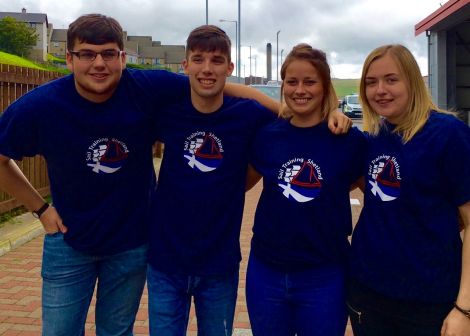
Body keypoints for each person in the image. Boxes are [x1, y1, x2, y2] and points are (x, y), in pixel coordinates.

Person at [0, 14, 282, 335]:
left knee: (117, 332)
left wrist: (291, 110)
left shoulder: (146, 87)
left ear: (122, 57)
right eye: (86, 54)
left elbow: (218, 85)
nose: (98, 64)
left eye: (108, 53)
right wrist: (40, 209)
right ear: (69, 59)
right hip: (69, 243)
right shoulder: (41, 106)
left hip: (131, 243)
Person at [146, 28, 351, 335]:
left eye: (217, 60)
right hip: (165, 261)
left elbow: (293, 112)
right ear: (185, 65)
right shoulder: (167, 111)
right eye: (198, 59)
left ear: (230, 68)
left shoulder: (249, 117)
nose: (206, 68)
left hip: (220, 264)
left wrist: (330, 109)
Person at [348, 44, 470, 336]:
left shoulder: (448, 134)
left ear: (412, 81)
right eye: (371, 82)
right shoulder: (374, 137)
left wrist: (464, 308)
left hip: (430, 301)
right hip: (368, 294)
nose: (380, 90)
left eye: (391, 79)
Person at [244, 44, 366, 336]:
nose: (300, 90)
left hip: (325, 275)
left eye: (310, 81)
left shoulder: (348, 140)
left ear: (325, 87)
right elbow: (237, 186)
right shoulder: (267, 136)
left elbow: (375, 195)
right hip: (266, 271)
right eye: (292, 81)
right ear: (283, 84)